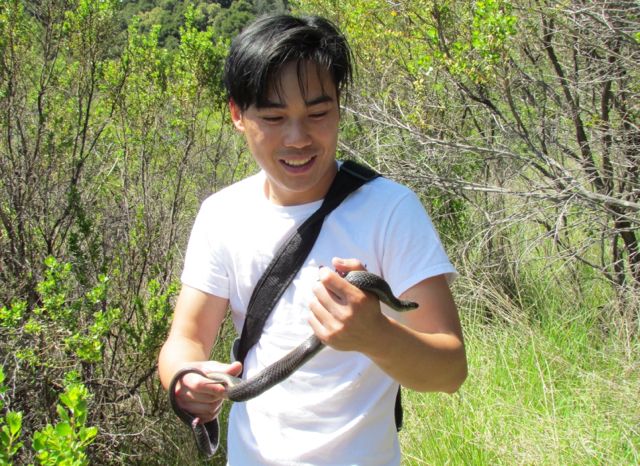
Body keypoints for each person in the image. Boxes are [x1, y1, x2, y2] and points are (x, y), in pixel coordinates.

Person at [158, 14, 467, 465]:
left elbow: (450, 370)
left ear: (340, 106)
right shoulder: (221, 215)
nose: (298, 138)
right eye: (274, 116)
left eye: (318, 113)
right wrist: (184, 380)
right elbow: (185, 339)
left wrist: (374, 333)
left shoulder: (391, 211)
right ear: (237, 115)